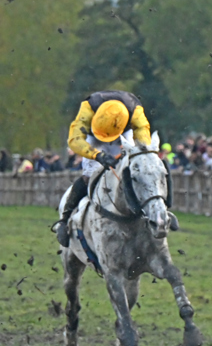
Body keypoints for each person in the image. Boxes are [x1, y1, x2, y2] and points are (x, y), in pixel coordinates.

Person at [54, 90, 153, 247]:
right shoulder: (88, 107)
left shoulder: (135, 110)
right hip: (94, 134)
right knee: (90, 174)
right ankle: (64, 221)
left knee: (140, 172)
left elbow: (143, 139)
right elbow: (74, 139)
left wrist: (140, 156)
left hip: (123, 132)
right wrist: (96, 155)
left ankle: (160, 213)